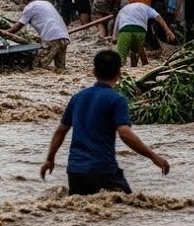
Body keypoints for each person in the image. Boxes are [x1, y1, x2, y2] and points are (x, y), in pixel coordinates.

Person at [41, 50, 170, 195]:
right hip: (103, 170)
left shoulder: (77, 98)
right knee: (128, 207)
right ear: (119, 73)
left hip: (76, 172)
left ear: (94, 71)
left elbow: (60, 131)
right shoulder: (116, 100)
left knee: (82, 212)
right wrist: (154, 156)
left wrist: (50, 159)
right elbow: (125, 134)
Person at [0, 0, 70, 71]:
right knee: (61, 69)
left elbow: (17, 27)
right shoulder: (45, 3)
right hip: (64, 37)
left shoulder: (30, 7)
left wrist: (4, 32)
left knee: (37, 67)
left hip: (52, 38)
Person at [114, 0, 176, 67]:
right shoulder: (143, 6)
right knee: (135, 50)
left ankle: (121, 69)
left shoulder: (121, 11)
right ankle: (135, 66)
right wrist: (167, 30)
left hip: (125, 30)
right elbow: (157, 16)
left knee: (121, 56)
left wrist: (115, 38)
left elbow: (114, 34)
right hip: (140, 30)